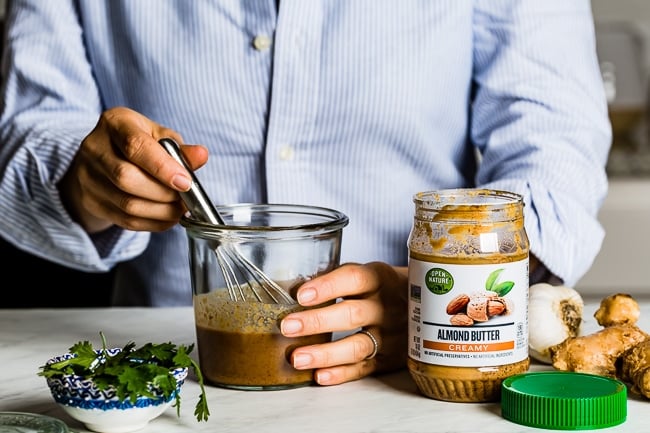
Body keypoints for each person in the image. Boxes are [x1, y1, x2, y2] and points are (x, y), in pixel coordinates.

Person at [0, 1, 611, 386]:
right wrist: (84, 182)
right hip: (171, 371)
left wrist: (440, 303)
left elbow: (554, 140)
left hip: (413, 373)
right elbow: (28, 131)